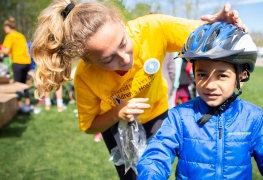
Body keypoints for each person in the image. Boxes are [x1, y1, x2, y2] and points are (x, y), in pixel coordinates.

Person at [30, 0, 247, 179]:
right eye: (108, 59)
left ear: (121, 22)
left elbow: (204, 36)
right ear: (88, 60)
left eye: (123, 43)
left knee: (156, 169)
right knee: (131, 175)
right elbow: (88, 126)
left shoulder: (153, 28)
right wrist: (118, 113)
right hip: (117, 127)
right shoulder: (85, 76)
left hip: (157, 113)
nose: (125, 59)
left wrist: (222, 29)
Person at [137, 22, 263, 179]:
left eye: (222, 75)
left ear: (241, 76)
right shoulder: (179, 116)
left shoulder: (254, 117)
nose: (210, 85)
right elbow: (157, 154)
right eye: (202, 74)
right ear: (193, 74)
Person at [0, 16, 32, 113]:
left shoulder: (10, 36)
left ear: (7, 27)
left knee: (17, 85)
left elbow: (6, 51)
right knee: (24, 84)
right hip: (26, 62)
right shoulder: (20, 35)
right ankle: (28, 104)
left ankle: (19, 107)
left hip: (17, 62)